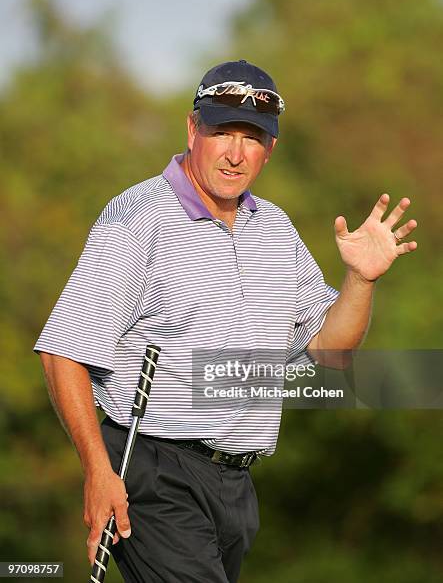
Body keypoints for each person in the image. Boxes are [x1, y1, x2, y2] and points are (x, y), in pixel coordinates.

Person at [34, 59, 417, 582]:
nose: (236, 154)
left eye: (252, 137)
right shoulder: (137, 221)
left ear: (271, 148)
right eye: (222, 132)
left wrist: (362, 280)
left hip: (235, 487)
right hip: (152, 474)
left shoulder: (275, 229)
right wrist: (97, 470)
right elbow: (63, 351)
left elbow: (331, 350)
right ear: (193, 129)